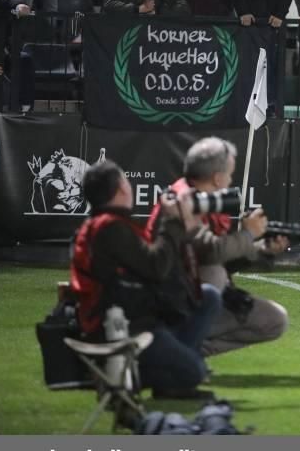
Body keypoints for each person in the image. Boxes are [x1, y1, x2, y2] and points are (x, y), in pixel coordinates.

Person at [71, 159, 218, 397]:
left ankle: (168, 374)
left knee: (208, 296)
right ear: (121, 189)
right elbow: (156, 267)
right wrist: (172, 222)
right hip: (127, 324)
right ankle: (124, 379)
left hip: (133, 311)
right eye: (127, 181)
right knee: (195, 371)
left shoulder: (103, 224)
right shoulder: (110, 228)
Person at [146, 137, 289, 358]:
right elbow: (212, 252)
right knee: (214, 272)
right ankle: (175, 345)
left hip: (191, 294)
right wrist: (249, 233)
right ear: (218, 177)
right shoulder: (182, 202)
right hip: (170, 299)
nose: (230, 181)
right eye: (230, 175)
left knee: (274, 320)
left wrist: (263, 249)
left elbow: (220, 256)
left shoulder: (203, 201)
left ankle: (189, 351)